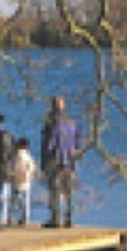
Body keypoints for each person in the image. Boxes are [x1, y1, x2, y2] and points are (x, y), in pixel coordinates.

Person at [39, 95, 83, 228]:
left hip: (55, 159)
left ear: (52, 106)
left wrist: (45, 159)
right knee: (68, 190)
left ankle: (55, 218)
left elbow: (49, 143)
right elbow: (79, 140)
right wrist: (74, 153)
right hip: (69, 160)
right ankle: (69, 218)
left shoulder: (51, 122)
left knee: (54, 189)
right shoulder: (72, 121)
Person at [3, 137, 36, 226]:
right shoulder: (28, 156)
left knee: (14, 200)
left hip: (16, 181)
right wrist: (29, 176)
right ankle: (25, 218)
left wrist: (11, 176)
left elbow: (12, 168)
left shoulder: (15, 156)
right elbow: (32, 167)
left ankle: (9, 217)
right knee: (26, 201)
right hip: (26, 180)